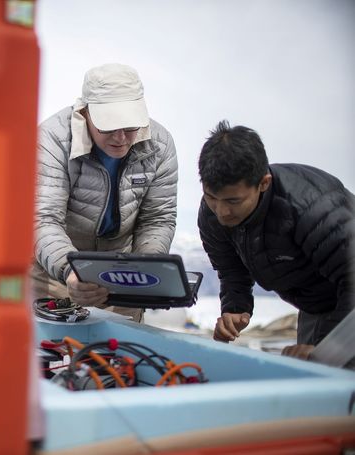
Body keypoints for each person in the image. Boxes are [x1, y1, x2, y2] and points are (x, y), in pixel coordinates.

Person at [31, 63, 178, 322]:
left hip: (122, 271)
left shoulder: (160, 146)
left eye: (130, 127)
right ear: (85, 112)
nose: (120, 138)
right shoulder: (51, 140)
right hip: (55, 269)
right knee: (53, 352)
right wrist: (69, 271)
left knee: (122, 354)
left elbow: (157, 218)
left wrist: (144, 270)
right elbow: (43, 219)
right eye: (109, 127)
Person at [197, 120, 354, 359]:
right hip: (317, 302)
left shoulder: (311, 207)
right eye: (211, 197)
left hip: (348, 292)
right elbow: (230, 268)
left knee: (330, 371)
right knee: (312, 374)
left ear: (263, 183)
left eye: (233, 201)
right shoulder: (212, 214)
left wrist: (330, 348)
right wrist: (235, 308)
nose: (221, 211)